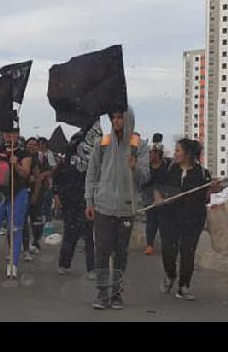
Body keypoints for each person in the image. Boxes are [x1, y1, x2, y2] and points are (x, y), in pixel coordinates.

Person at [85, 107, 150, 310]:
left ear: (128, 119)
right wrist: (89, 201)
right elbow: (92, 174)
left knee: (121, 253)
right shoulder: (102, 143)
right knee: (102, 252)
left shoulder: (139, 145)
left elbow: (145, 177)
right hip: (103, 206)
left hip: (126, 208)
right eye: (113, 117)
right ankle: (102, 293)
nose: (116, 121)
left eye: (120, 117)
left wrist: (135, 166)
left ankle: (117, 293)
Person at [154, 138, 213, 300]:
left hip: (193, 219)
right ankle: (170, 274)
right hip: (169, 217)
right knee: (168, 250)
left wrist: (211, 190)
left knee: (188, 251)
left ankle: (184, 286)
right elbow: (157, 186)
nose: (175, 153)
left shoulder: (203, 174)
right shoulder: (169, 169)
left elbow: (206, 199)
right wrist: (159, 198)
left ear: (187, 154)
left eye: (178, 150)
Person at [0, 129, 32, 278]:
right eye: (6, 133)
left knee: (15, 229)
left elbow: (25, 173)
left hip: (17, 194)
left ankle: (13, 263)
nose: (10, 136)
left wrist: (16, 164)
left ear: (18, 134)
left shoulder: (24, 154)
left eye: (13, 133)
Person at [53, 129, 96, 278]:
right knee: (70, 234)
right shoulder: (66, 162)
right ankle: (64, 264)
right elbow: (56, 179)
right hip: (69, 202)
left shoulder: (94, 161)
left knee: (91, 236)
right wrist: (57, 195)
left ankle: (92, 268)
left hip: (89, 201)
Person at [143, 142, 169, 255]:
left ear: (157, 153)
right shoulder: (146, 167)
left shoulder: (166, 166)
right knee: (151, 223)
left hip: (164, 200)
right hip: (149, 200)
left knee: (164, 223)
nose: (149, 155)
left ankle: (166, 246)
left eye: (151, 153)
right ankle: (149, 245)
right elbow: (142, 183)